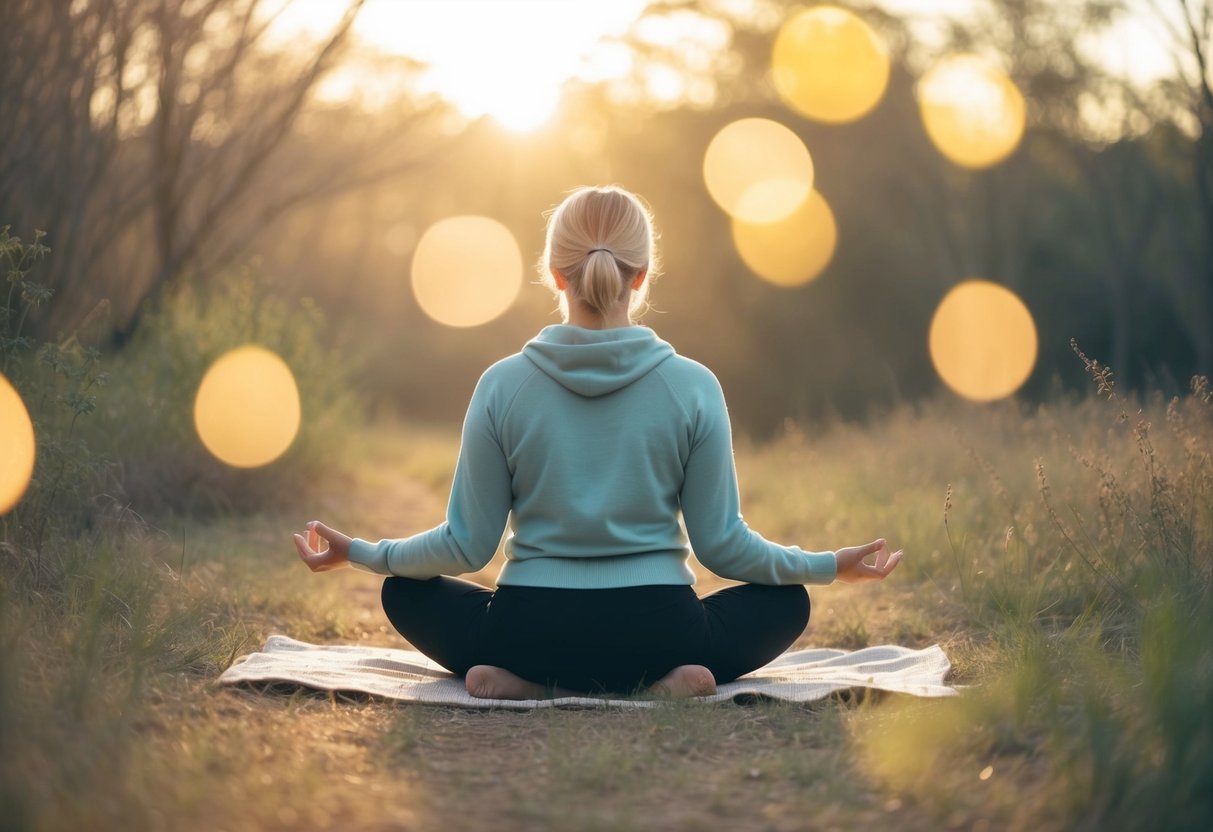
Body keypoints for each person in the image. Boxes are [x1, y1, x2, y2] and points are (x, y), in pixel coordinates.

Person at [293, 185, 902, 700]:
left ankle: (527, 681)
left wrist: (363, 553)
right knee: (788, 601)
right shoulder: (694, 385)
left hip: (526, 631)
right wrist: (827, 565)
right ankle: (664, 681)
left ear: (554, 275)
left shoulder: (501, 384)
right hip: (662, 630)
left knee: (403, 589)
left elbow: (466, 545)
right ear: (641, 276)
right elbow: (724, 548)